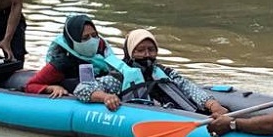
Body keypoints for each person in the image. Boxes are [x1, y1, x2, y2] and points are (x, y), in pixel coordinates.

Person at [75, 29, 229, 115]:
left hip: (181, 114)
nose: (147, 55)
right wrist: (106, 97)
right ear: (130, 53)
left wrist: (213, 104)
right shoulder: (119, 78)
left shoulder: (164, 72)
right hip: (150, 116)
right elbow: (82, 89)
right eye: (140, 50)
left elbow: (189, 88)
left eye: (151, 50)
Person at [25, 14, 111, 97]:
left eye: (94, 35)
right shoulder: (62, 63)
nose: (92, 41)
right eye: (85, 38)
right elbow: (30, 85)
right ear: (73, 40)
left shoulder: (103, 54)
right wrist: (51, 88)